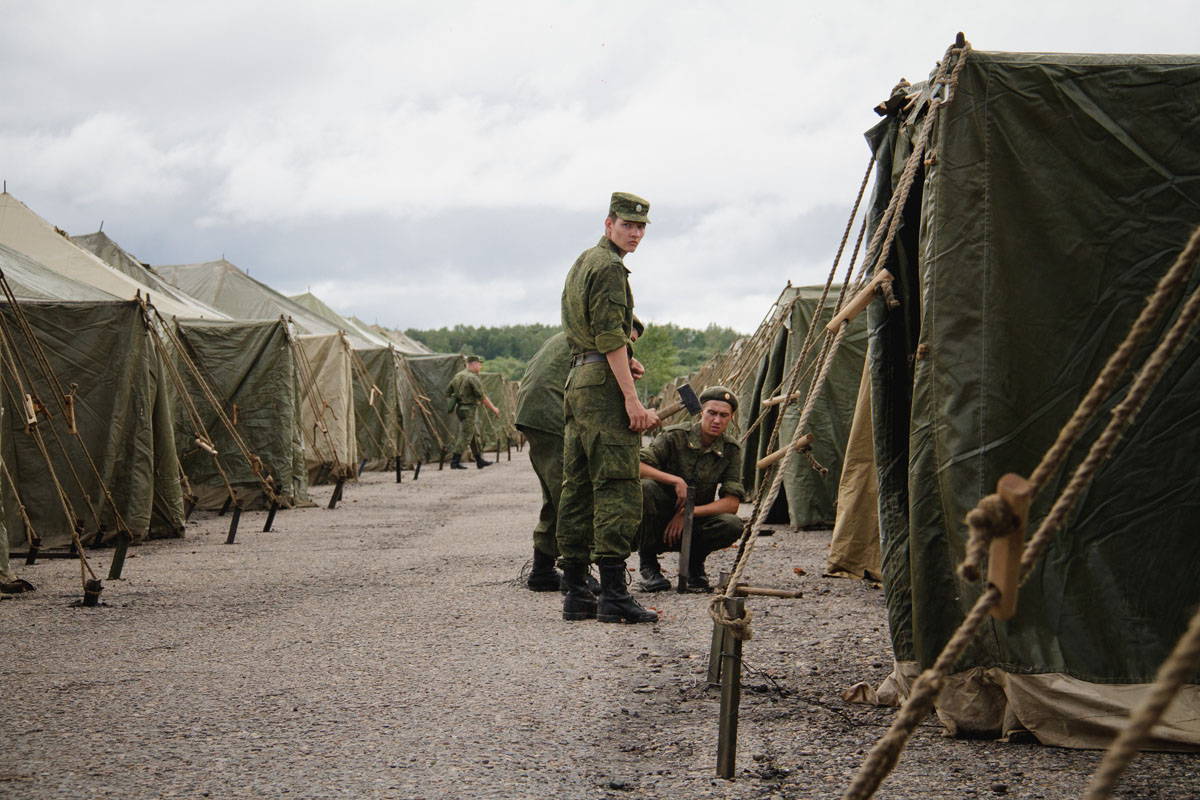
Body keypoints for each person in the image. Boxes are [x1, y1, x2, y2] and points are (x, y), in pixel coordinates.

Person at [557, 192, 660, 624]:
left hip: (579, 378)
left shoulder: (583, 262)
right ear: (608, 223)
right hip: (599, 390)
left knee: (577, 484)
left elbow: (595, 336)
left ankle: (577, 588)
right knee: (616, 482)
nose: (634, 234)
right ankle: (614, 594)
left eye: (640, 228)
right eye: (627, 225)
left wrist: (621, 359)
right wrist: (632, 399)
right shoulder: (610, 268)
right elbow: (610, 337)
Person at [515, 317, 644, 592]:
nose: (628, 348)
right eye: (629, 341)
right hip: (552, 410)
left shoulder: (576, 334)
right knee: (576, 493)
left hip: (534, 411)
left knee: (557, 493)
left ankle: (542, 570)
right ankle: (577, 572)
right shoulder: (606, 335)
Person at [637, 386, 746, 592]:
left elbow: (731, 503)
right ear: (701, 412)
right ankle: (648, 565)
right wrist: (675, 481)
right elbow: (638, 467)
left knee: (732, 524)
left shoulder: (731, 449)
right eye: (712, 413)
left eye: (724, 415)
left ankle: (695, 564)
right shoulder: (674, 436)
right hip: (656, 519)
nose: (716, 420)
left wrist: (688, 513)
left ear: (731, 418)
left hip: (694, 521)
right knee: (646, 488)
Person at [446, 355, 500, 470]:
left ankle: (479, 460)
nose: (480, 366)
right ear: (473, 364)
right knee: (466, 434)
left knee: (474, 434)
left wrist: (451, 405)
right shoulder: (472, 377)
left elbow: (448, 392)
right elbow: (482, 396)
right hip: (469, 409)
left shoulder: (458, 376)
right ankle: (455, 461)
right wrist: (493, 408)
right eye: (479, 364)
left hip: (460, 409)